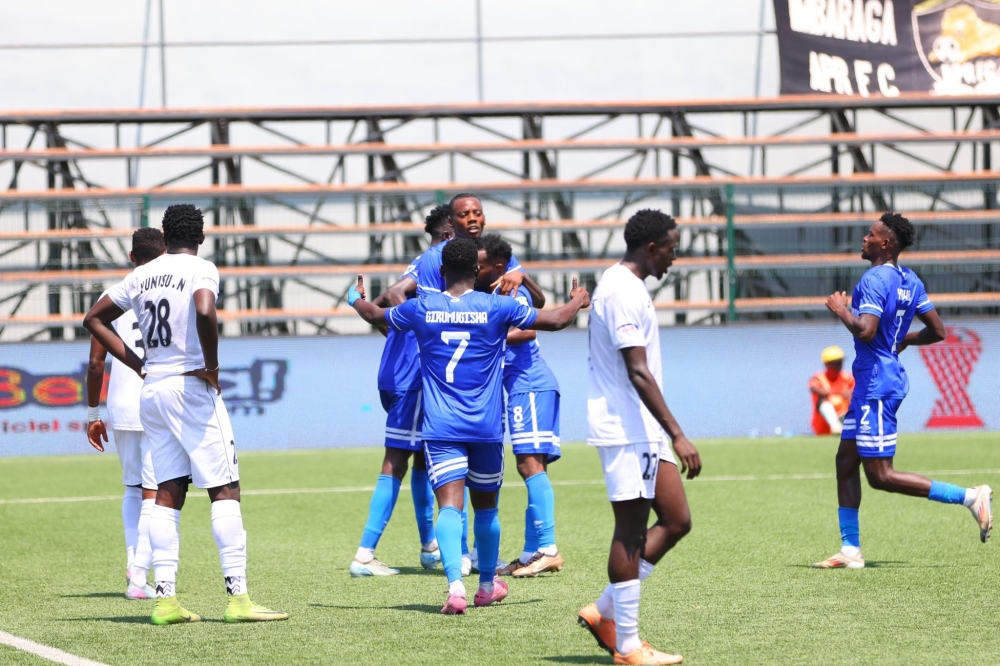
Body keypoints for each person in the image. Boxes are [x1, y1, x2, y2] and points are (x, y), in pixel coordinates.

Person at [349, 238, 590, 614]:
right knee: (487, 510)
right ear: (477, 272)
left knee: (450, 507)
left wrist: (354, 297)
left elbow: (374, 315)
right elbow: (556, 319)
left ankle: (455, 588)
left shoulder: (421, 307)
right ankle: (487, 587)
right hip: (486, 426)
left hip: (441, 426)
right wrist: (578, 299)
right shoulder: (496, 306)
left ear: (441, 272)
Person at [83, 204, 287, 625]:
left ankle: (165, 600)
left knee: (167, 492)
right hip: (190, 386)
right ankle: (238, 599)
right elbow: (205, 310)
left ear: (164, 234)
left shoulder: (140, 275)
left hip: (152, 389)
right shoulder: (201, 268)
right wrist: (211, 367)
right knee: (225, 490)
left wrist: (138, 363)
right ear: (201, 236)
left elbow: (93, 319)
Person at [812, 212, 992, 570]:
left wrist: (841, 310)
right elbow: (938, 331)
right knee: (846, 462)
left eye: (870, 234)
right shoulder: (910, 280)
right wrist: (898, 340)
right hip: (877, 380)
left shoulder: (874, 279)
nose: (864, 239)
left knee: (881, 476)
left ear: (886, 243)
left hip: (877, 385)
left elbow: (864, 330)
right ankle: (850, 552)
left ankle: (971, 497)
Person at [578, 209, 700, 666]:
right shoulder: (622, 290)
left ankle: (604, 610)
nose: (674, 256)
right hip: (627, 427)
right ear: (651, 248)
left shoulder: (629, 287)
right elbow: (637, 371)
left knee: (676, 519)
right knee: (629, 532)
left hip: (642, 429)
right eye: (671, 247)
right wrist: (679, 433)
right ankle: (627, 646)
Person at [351, 205, 452, 577]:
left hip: (401, 371)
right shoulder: (439, 261)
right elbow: (393, 295)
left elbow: (379, 304)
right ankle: (364, 554)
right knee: (396, 460)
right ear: (448, 233)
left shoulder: (421, 265)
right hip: (413, 377)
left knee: (424, 460)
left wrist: (399, 336)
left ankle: (429, 547)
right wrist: (419, 339)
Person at [475, 234, 564, 578]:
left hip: (530, 384)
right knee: (530, 466)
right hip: (521, 388)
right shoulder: (500, 285)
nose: (474, 268)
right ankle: (531, 551)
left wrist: (481, 334)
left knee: (529, 466)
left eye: (479, 263)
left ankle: (548, 548)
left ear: (496, 267)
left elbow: (528, 330)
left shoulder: (508, 288)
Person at [85, 227, 165, 600]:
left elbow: (95, 364)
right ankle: (140, 577)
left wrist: (92, 414)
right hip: (159, 397)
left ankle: (135, 567)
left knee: (134, 488)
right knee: (156, 490)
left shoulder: (111, 297)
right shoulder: (168, 289)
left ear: (131, 258)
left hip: (121, 403)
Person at [809, 345, 855, 436]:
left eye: (840, 362)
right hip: (823, 425)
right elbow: (813, 388)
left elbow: (856, 391)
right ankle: (835, 426)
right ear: (827, 364)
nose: (839, 365)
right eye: (836, 363)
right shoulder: (818, 378)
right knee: (823, 399)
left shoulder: (847, 377)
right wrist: (840, 393)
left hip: (844, 418)